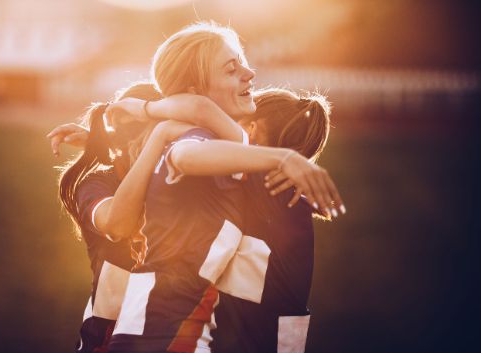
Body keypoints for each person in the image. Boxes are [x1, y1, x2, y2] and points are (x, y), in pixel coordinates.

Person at [101, 22, 343, 353]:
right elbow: (190, 144)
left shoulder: (248, 168)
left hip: (159, 328)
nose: (250, 74)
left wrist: (141, 123)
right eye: (232, 69)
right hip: (164, 333)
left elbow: (194, 118)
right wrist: (283, 158)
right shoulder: (209, 145)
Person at [51, 82, 197, 353]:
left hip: (173, 333)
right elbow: (117, 224)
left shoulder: (178, 174)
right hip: (111, 335)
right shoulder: (98, 182)